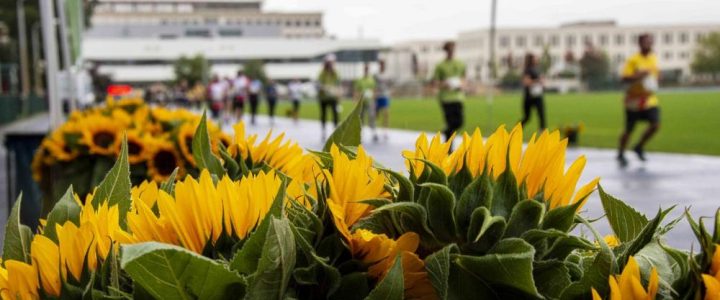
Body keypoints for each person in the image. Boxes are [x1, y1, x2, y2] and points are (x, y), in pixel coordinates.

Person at [617, 33, 661, 167]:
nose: (649, 44)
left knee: (655, 124)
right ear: (640, 43)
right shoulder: (633, 60)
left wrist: (657, 79)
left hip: (649, 99)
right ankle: (621, 152)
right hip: (634, 101)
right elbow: (624, 78)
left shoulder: (654, 58)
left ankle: (639, 146)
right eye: (646, 42)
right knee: (629, 129)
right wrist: (639, 75)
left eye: (650, 42)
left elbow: (656, 73)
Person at [432, 41, 467, 144]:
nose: (451, 52)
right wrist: (445, 84)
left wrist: (462, 85)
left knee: (459, 122)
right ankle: (449, 149)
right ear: (446, 50)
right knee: (450, 122)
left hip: (458, 97)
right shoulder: (440, 65)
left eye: (453, 49)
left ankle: (446, 132)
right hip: (446, 98)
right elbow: (435, 82)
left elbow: (464, 78)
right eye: (449, 50)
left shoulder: (460, 63)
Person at [317, 54, 342, 139]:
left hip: (333, 97)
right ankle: (323, 131)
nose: (330, 64)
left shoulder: (335, 73)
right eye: (328, 63)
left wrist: (337, 92)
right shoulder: (322, 73)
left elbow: (338, 84)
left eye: (331, 63)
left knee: (335, 114)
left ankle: (335, 130)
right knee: (323, 114)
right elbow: (318, 84)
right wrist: (323, 87)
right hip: (323, 98)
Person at [520, 53, 547, 130]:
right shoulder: (527, 70)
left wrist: (542, 83)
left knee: (541, 114)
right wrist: (538, 81)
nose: (537, 59)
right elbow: (526, 82)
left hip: (538, 95)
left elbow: (540, 80)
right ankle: (516, 130)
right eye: (535, 58)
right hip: (529, 97)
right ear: (531, 60)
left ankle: (543, 134)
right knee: (527, 117)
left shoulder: (537, 69)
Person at [353, 63, 377, 139]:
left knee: (372, 116)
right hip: (362, 102)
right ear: (364, 69)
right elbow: (357, 90)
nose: (366, 70)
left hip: (370, 101)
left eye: (367, 68)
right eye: (365, 68)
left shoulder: (371, 80)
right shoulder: (360, 80)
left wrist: (373, 98)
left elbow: (374, 90)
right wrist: (356, 100)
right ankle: (360, 134)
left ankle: (374, 133)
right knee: (361, 118)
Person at [374, 59, 392, 141]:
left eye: (383, 64)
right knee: (376, 114)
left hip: (385, 96)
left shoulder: (387, 75)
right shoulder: (376, 75)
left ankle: (385, 131)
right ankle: (375, 131)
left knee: (386, 113)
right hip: (378, 96)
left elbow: (390, 84)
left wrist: (390, 91)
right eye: (381, 64)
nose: (382, 65)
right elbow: (374, 85)